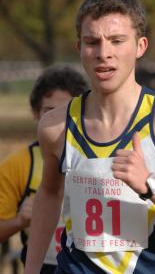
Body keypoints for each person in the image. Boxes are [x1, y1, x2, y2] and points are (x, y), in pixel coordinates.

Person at [24, 0, 155, 274]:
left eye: (117, 41)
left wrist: (151, 186)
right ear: (79, 48)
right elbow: (49, 194)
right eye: (92, 42)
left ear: (140, 46)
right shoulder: (55, 126)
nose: (104, 53)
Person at [0, 64, 88, 273]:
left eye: (67, 111)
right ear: (35, 112)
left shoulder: (100, 159)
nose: (59, 120)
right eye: (50, 111)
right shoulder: (20, 164)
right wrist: (19, 221)